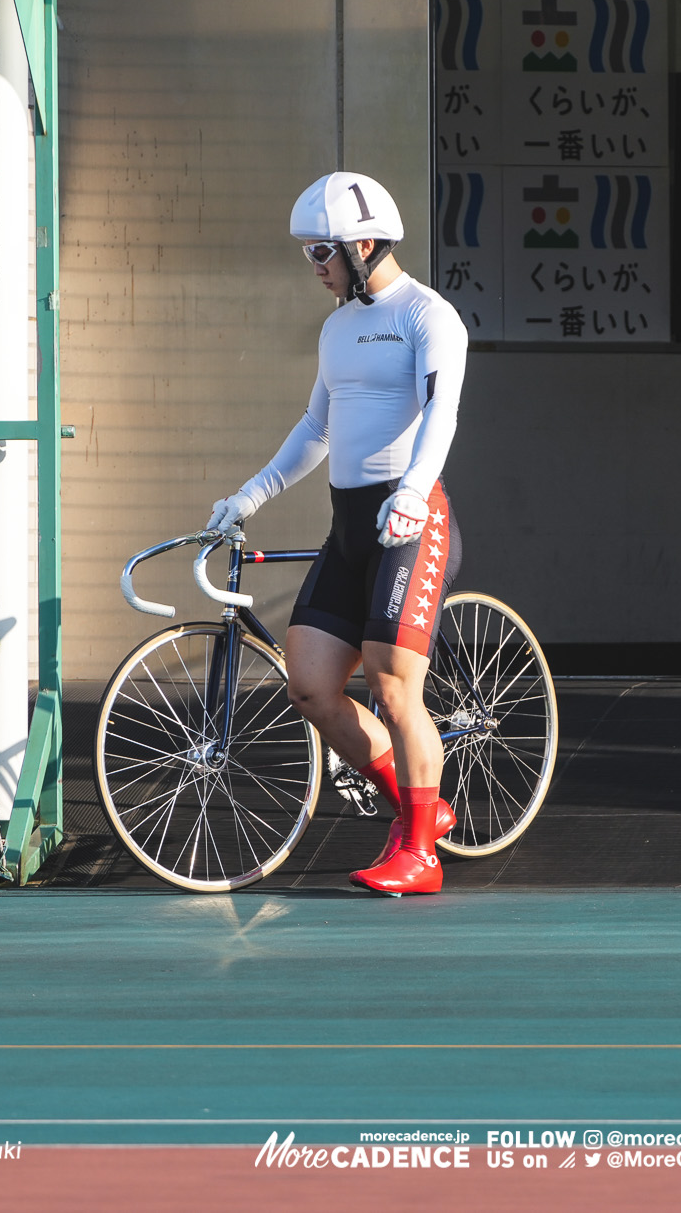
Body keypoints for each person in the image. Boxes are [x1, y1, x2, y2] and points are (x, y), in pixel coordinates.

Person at [206, 174, 467, 896]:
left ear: (363, 243)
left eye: (320, 250)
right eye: (306, 253)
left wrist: (413, 491)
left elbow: (441, 414)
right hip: (349, 523)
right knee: (311, 687)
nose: (313, 266)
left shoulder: (429, 317)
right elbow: (315, 428)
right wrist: (249, 493)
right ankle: (423, 805)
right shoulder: (337, 326)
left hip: (410, 519)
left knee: (392, 685)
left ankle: (420, 853)